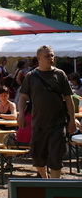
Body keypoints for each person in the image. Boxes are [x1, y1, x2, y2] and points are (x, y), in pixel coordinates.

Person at [18, 45, 76, 178]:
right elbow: (23, 98)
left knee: (56, 158)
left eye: (52, 55)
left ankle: (54, 186)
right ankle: (45, 179)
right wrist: (21, 115)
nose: (51, 58)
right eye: (47, 56)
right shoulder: (31, 77)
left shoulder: (60, 74)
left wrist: (72, 120)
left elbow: (68, 98)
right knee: (37, 158)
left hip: (58, 123)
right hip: (38, 124)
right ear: (39, 58)